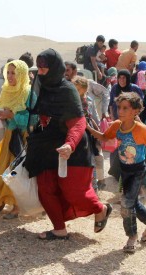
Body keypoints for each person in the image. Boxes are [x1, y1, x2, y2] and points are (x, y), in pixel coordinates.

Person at [24, 48, 112, 240]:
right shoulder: (41, 87)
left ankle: (101, 209)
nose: (40, 72)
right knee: (45, 188)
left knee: (74, 191)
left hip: (73, 149)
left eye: (44, 68)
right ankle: (59, 229)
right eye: (38, 67)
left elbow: (78, 121)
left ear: (55, 68)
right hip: (47, 146)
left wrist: (70, 145)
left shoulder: (67, 89)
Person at [87, 92, 146, 253]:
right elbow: (104, 137)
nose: (120, 111)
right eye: (119, 107)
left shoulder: (141, 129)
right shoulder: (116, 125)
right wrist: (87, 127)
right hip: (124, 171)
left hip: (138, 171)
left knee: (126, 205)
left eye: (125, 108)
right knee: (132, 202)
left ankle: (131, 236)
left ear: (135, 111)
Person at [0, 60, 34, 219]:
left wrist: (12, 115)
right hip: (8, 135)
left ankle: (16, 206)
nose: (10, 76)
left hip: (23, 138)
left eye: (14, 73)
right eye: (8, 72)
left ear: (21, 74)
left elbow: (33, 117)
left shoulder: (28, 92)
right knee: (2, 167)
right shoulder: (6, 90)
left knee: (18, 171)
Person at [72, 76, 106, 191]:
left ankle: (94, 188)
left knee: (90, 160)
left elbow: (90, 119)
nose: (75, 91)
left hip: (86, 133)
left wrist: (97, 134)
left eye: (78, 89)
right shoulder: (74, 101)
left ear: (84, 89)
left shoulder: (85, 101)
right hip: (80, 132)